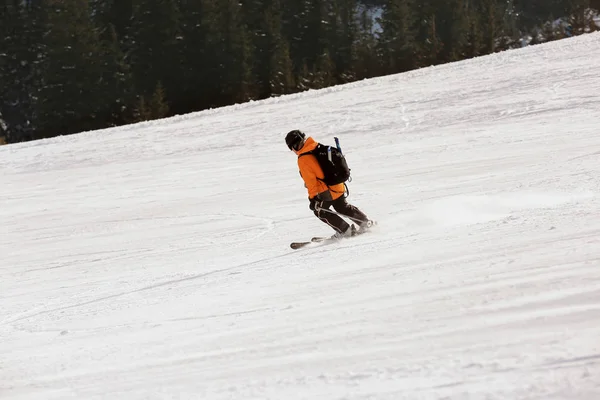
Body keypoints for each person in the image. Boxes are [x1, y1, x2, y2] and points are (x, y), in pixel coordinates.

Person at [285, 129, 373, 239]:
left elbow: (311, 183)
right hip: (338, 185)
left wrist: (313, 199)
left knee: (320, 211)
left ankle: (345, 231)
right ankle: (366, 223)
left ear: (293, 146)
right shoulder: (316, 146)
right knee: (342, 207)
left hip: (326, 191)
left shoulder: (303, 158)